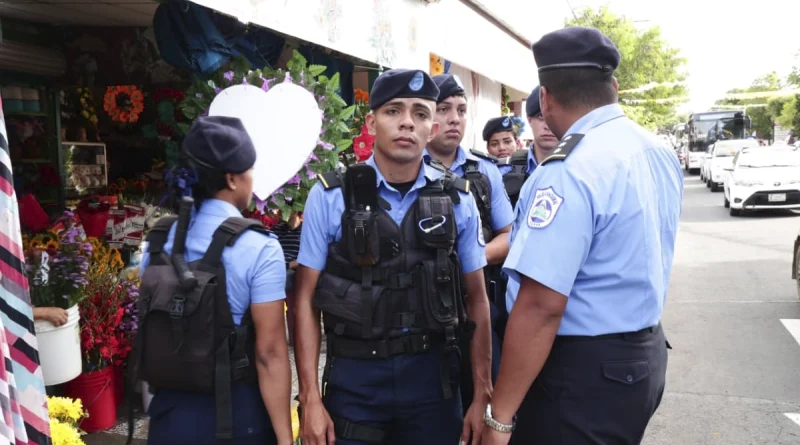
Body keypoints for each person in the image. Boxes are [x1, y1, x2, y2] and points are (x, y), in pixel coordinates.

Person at [480, 26, 683, 445]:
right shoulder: (656, 150)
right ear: (614, 85)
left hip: (581, 373)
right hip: (642, 357)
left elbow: (541, 307)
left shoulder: (567, 171)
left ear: (547, 97)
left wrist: (499, 419)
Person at [294, 68, 492, 445]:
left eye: (420, 113)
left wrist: (482, 391)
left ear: (431, 127)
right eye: (393, 111)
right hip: (355, 379)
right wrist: (309, 399)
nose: (406, 123)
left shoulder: (458, 199)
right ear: (371, 122)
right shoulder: (332, 196)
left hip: (433, 380)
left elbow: (477, 299)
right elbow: (305, 297)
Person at [140, 116, 293, 445]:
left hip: (168, 418)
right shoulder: (260, 247)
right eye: (250, 170)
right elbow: (270, 354)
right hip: (237, 419)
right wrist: (284, 437)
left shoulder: (157, 240)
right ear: (233, 179)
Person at [425, 72, 514, 413]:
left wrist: (466, 261)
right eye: (443, 109)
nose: (454, 119)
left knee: (485, 408)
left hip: (478, 311)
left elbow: (510, 235)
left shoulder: (483, 171)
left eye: (461, 110)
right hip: (425, 316)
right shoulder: (405, 169)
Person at [500, 86, 559, 207]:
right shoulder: (505, 170)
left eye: (554, 116)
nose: (547, 125)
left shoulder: (578, 170)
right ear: (529, 119)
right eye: (541, 117)